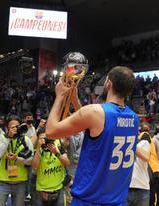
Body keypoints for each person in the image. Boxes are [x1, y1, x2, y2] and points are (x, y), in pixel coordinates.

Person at [46, 62, 139, 205]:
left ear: (108, 83)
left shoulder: (95, 112)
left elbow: (51, 132)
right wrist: (76, 102)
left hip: (90, 200)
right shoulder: (134, 118)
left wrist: (60, 96)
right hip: (117, 200)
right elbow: (96, 129)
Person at [0, 116, 34, 206]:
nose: (15, 129)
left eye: (17, 126)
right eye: (12, 127)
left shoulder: (26, 140)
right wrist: (9, 137)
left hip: (20, 182)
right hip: (3, 181)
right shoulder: (2, 138)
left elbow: (31, 160)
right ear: (7, 128)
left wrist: (17, 159)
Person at [32, 128, 71, 206]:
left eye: (46, 138)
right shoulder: (38, 149)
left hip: (58, 189)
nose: (44, 141)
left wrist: (56, 153)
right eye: (41, 138)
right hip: (41, 190)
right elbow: (34, 167)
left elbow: (67, 163)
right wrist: (39, 147)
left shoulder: (58, 145)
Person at [127, 125, 151, 206]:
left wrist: (130, 143)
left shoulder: (144, 143)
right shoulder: (122, 143)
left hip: (142, 188)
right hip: (126, 187)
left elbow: (146, 157)